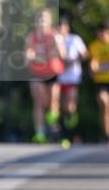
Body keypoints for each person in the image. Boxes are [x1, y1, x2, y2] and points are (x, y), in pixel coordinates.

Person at [24, 9, 65, 143]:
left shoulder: (54, 35)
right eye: (39, 18)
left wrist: (57, 44)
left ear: (50, 21)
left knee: (52, 100)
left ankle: (53, 126)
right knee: (38, 102)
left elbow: (62, 55)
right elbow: (28, 56)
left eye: (44, 18)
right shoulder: (32, 37)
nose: (42, 21)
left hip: (52, 72)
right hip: (37, 73)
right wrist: (31, 57)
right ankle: (40, 133)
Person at [56, 17, 88, 147]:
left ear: (66, 28)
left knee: (70, 106)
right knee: (62, 107)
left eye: (61, 27)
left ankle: (71, 126)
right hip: (59, 78)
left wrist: (74, 60)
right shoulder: (55, 40)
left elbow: (85, 54)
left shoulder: (75, 39)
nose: (60, 30)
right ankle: (65, 134)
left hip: (72, 77)